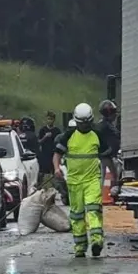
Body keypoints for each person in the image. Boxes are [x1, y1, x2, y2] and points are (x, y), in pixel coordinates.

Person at [53, 103, 114, 257]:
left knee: (94, 210)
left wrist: (114, 176)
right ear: (77, 121)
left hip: (92, 179)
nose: (85, 126)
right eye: (82, 123)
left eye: (87, 123)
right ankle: (80, 246)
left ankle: (96, 241)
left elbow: (106, 158)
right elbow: (57, 154)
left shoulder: (97, 135)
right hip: (74, 182)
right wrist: (56, 168)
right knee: (77, 215)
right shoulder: (68, 136)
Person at [95, 100, 121, 197]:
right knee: (111, 175)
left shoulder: (102, 125)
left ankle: (104, 194)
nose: (115, 115)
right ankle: (105, 195)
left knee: (107, 175)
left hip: (107, 155)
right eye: (113, 112)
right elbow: (117, 136)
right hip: (107, 156)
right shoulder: (105, 126)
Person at [37, 111, 59, 185]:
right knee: (41, 173)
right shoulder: (42, 130)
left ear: (54, 120)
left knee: (54, 173)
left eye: (51, 119)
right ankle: (40, 186)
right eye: (48, 119)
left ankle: (56, 187)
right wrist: (45, 137)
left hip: (54, 155)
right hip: (44, 155)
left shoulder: (57, 131)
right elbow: (39, 142)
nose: (49, 121)